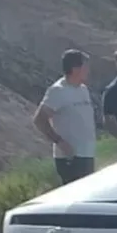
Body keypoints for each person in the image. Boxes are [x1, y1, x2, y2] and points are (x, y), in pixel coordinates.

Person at [34, 49, 97, 185]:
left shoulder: (83, 90)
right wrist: (59, 141)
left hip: (87, 154)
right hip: (70, 158)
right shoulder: (58, 91)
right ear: (75, 69)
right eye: (85, 66)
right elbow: (39, 119)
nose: (88, 70)